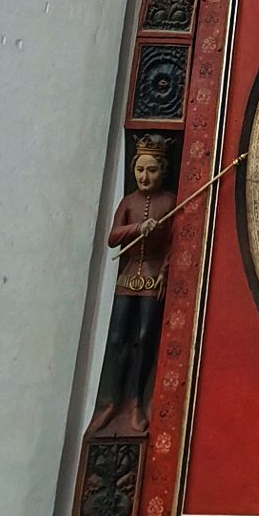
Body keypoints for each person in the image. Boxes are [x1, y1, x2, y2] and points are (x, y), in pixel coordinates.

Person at [89, 137, 177, 437]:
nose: (145, 176)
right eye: (140, 170)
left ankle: (136, 402)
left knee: (143, 338)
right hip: (128, 277)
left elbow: (173, 242)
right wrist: (138, 228)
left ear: (162, 171)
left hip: (152, 278)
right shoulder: (129, 202)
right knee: (117, 338)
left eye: (152, 170)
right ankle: (109, 403)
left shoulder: (169, 202)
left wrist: (165, 271)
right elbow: (113, 237)